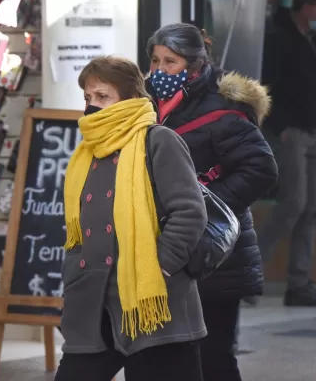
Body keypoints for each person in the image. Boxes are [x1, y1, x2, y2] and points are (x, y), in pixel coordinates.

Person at [56, 56, 208, 381]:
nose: (92, 107)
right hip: (96, 306)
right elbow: (78, 231)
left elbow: (189, 213)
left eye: (103, 96)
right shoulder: (87, 153)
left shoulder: (158, 141)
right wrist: (73, 273)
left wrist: (158, 270)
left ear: (128, 98)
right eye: (87, 98)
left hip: (153, 305)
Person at [146, 23, 278, 381]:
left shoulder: (222, 110)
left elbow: (261, 169)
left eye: (170, 62)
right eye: (155, 61)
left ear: (194, 65)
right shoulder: (148, 107)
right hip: (168, 248)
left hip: (214, 253)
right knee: (171, 358)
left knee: (214, 357)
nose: (159, 71)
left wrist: (203, 205)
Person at [258, 0, 316, 307]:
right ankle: (244, 272)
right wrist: (279, 128)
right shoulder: (279, 39)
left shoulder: (314, 43)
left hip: (315, 135)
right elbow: (263, 89)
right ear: (306, 6)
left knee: (312, 209)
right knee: (292, 204)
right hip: (291, 133)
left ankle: (299, 283)